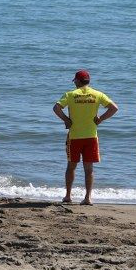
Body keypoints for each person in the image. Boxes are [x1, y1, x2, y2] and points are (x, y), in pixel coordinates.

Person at [53, 69, 118, 205]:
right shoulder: (97, 94)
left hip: (74, 136)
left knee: (71, 167)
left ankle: (68, 196)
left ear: (77, 81)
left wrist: (66, 119)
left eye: (75, 80)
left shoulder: (70, 94)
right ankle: (88, 198)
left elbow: (56, 108)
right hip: (91, 137)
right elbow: (114, 108)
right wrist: (101, 119)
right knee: (89, 169)